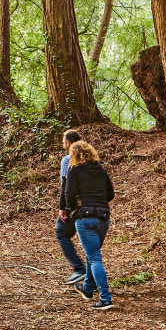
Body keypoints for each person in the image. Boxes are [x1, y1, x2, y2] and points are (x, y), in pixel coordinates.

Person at [65, 140, 115, 310]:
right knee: (91, 254)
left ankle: (105, 298)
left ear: (74, 154)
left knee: (94, 257)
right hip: (103, 218)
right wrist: (99, 203)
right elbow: (110, 193)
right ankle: (87, 289)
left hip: (85, 218)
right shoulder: (100, 169)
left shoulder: (74, 169)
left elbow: (68, 193)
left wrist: (74, 208)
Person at [57, 130, 86, 285]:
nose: (63, 144)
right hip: (90, 204)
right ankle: (91, 280)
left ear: (68, 143)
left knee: (61, 232)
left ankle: (79, 268)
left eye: (63, 141)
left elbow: (65, 185)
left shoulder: (67, 160)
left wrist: (63, 207)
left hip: (72, 205)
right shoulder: (89, 159)